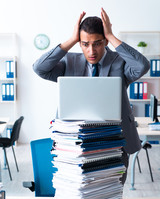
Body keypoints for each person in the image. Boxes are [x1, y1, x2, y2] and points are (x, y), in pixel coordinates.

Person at [33, 8, 150, 184]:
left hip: (114, 140)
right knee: (80, 191)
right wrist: (72, 39)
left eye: (97, 43)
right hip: (78, 140)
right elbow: (39, 68)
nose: (91, 50)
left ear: (105, 42)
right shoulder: (69, 62)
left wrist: (111, 35)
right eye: (85, 44)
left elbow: (142, 66)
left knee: (112, 191)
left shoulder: (120, 62)